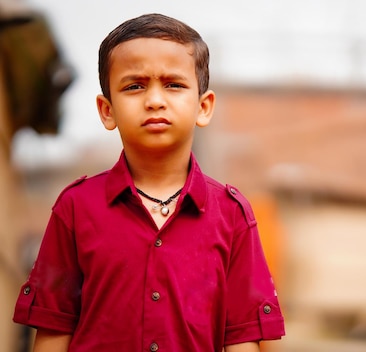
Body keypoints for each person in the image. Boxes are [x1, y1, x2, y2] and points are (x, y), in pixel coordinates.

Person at [13, 13, 285, 351]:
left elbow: (243, 338)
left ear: (204, 106)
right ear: (107, 110)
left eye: (173, 84)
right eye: (134, 86)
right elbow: (53, 331)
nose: (155, 100)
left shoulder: (232, 215)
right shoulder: (75, 207)